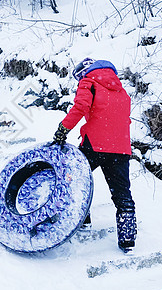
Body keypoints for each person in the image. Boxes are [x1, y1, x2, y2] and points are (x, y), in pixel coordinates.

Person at [52, 58, 137, 253]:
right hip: (121, 148)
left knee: (75, 180)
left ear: (83, 72)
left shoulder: (88, 82)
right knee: (122, 194)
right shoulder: (121, 91)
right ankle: (127, 239)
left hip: (94, 145)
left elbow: (80, 107)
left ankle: (83, 221)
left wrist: (62, 129)